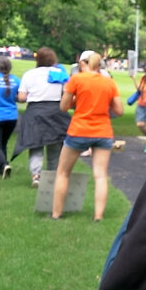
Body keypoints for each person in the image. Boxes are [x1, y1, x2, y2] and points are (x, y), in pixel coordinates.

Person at [52, 51, 123, 220]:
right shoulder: (109, 83)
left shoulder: (76, 79)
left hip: (79, 129)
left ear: (83, 63)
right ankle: (98, 216)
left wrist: (76, 100)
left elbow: (63, 106)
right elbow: (119, 111)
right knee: (100, 175)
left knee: (63, 172)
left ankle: (56, 214)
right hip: (103, 131)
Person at [13, 47, 73, 186]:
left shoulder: (29, 74)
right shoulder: (59, 73)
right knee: (55, 145)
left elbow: (22, 97)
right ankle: (52, 176)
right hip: (55, 111)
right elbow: (67, 94)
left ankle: (36, 175)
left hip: (35, 112)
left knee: (35, 144)